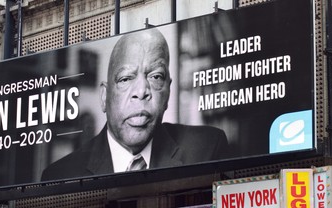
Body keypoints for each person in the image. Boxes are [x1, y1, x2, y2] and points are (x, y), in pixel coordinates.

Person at [41, 28, 228, 181]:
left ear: (168, 92)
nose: (141, 91)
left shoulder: (206, 149)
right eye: (125, 79)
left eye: (156, 77)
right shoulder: (60, 176)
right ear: (104, 97)